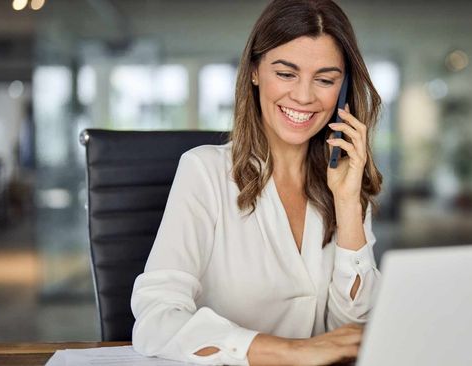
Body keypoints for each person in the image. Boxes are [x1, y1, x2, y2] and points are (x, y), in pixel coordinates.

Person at [131, 0, 382, 364]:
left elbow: (351, 331)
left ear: (342, 92)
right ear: (254, 71)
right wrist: (293, 351)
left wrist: (346, 204)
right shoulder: (204, 171)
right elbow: (156, 319)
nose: (304, 96)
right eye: (286, 73)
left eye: (325, 80)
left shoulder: (345, 183)